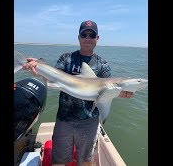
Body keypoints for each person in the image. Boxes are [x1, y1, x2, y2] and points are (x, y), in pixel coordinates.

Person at [23, 20, 133, 166]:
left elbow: (104, 94)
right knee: (58, 160)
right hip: (64, 119)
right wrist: (39, 67)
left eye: (91, 35)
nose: (88, 38)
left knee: (87, 161)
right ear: (79, 37)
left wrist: (119, 94)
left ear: (97, 38)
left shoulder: (103, 65)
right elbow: (52, 79)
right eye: (84, 35)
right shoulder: (66, 58)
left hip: (89, 122)